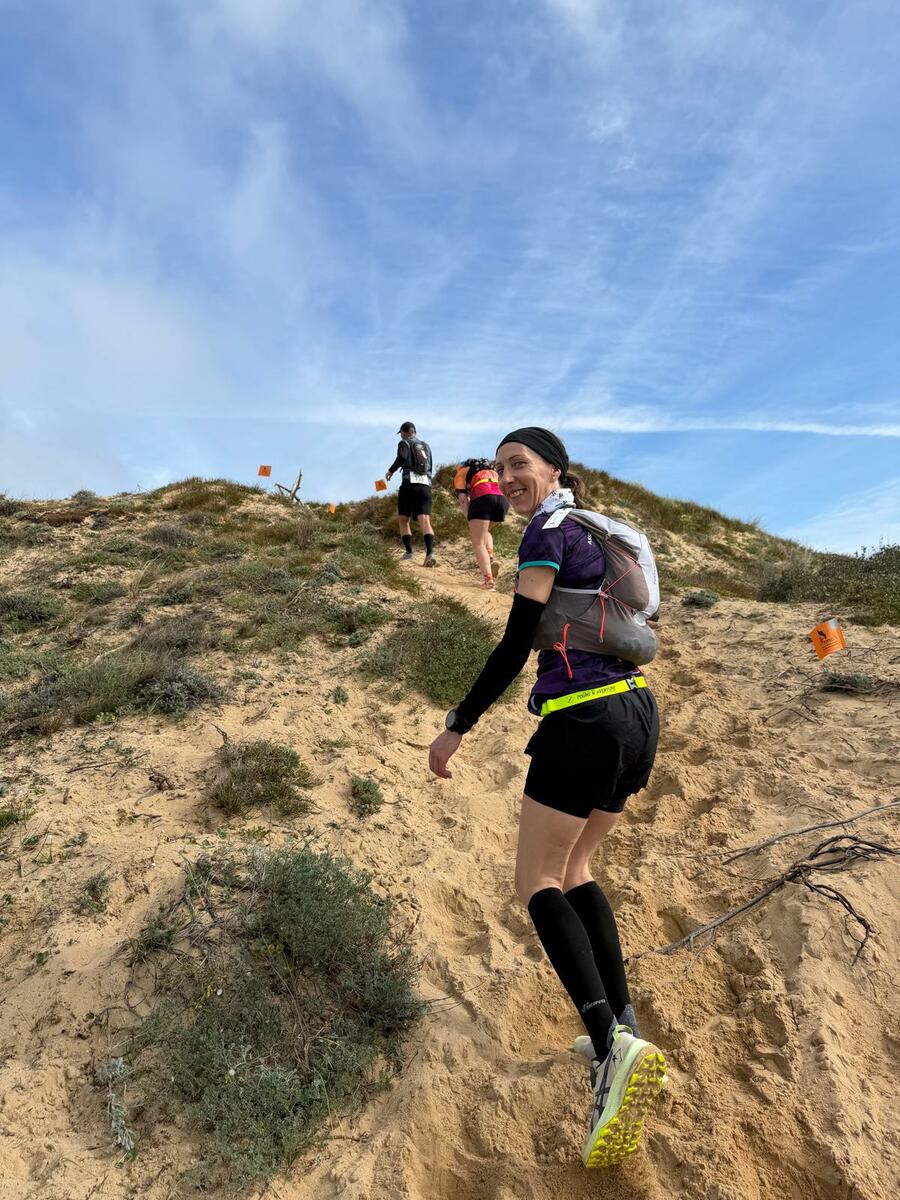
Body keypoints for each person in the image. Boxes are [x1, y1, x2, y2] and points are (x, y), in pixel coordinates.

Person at [428, 427, 667, 1169]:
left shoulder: (548, 532)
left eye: (519, 465)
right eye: (500, 467)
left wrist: (457, 724)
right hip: (637, 714)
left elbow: (515, 640)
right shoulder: (597, 530)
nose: (507, 478)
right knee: (577, 871)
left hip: (583, 721)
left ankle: (610, 1049)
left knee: (535, 881)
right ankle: (623, 1028)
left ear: (554, 470)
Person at [386, 421, 436, 567]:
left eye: (401, 433)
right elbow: (430, 467)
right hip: (425, 485)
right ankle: (430, 554)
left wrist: (391, 470)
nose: (401, 436)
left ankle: (408, 552)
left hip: (409, 484)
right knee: (425, 520)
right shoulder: (426, 446)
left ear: (404, 432)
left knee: (403, 519)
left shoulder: (404, 442)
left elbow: (402, 457)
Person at [456, 458, 508, 589]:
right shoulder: (492, 471)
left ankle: (488, 580)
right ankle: (490, 556)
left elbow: (463, 499)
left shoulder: (461, 472)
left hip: (483, 496)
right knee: (484, 531)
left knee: (478, 542)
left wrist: (470, 518)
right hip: (502, 500)